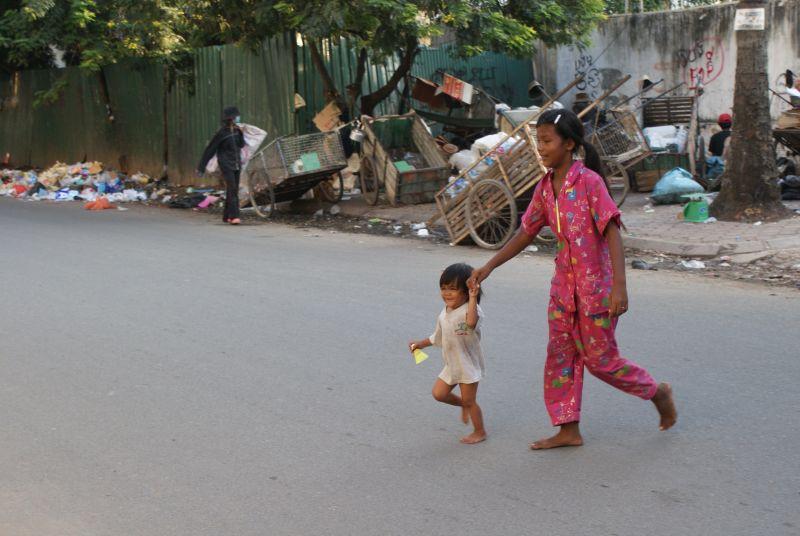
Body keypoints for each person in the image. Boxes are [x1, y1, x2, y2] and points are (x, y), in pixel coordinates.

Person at [469, 109, 676, 450]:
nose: (541, 148)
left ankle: (657, 392)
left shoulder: (590, 182)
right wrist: (488, 267)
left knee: (600, 362)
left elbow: (611, 230)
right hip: (563, 291)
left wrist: (619, 288)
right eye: (539, 141)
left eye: (547, 141)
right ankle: (568, 428)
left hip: (597, 290)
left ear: (568, 144)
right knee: (560, 357)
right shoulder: (545, 189)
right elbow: (525, 232)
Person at [408, 263, 487, 445]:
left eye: (453, 289)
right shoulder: (444, 313)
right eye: (443, 288)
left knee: (471, 401)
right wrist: (420, 344)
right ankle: (464, 405)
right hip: (452, 364)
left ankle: (480, 431)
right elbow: (437, 337)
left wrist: (473, 297)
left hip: (467, 365)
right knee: (439, 394)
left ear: (467, 291)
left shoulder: (471, 310)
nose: (447, 293)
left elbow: (471, 323)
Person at [198, 106, 245, 225]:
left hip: (236, 163)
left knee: (232, 189)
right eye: (236, 116)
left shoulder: (237, 131)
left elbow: (241, 145)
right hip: (226, 164)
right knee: (233, 188)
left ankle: (227, 216)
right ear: (231, 118)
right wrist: (201, 167)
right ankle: (234, 216)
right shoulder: (221, 133)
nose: (238, 118)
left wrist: (241, 133)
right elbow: (210, 150)